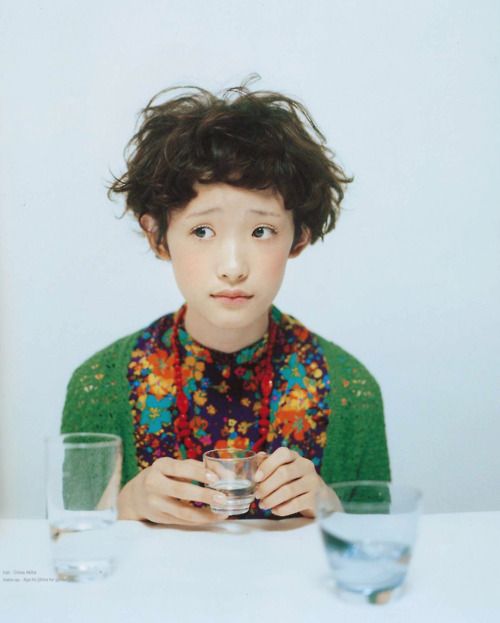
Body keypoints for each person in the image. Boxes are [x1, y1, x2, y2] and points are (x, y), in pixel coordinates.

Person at [62, 78, 390, 526]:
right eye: (202, 231)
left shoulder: (351, 390)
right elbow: (65, 548)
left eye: (262, 231)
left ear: (299, 238)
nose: (233, 266)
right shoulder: (100, 385)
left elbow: (379, 550)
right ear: (158, 237)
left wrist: (330, 506)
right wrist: (124, 505)